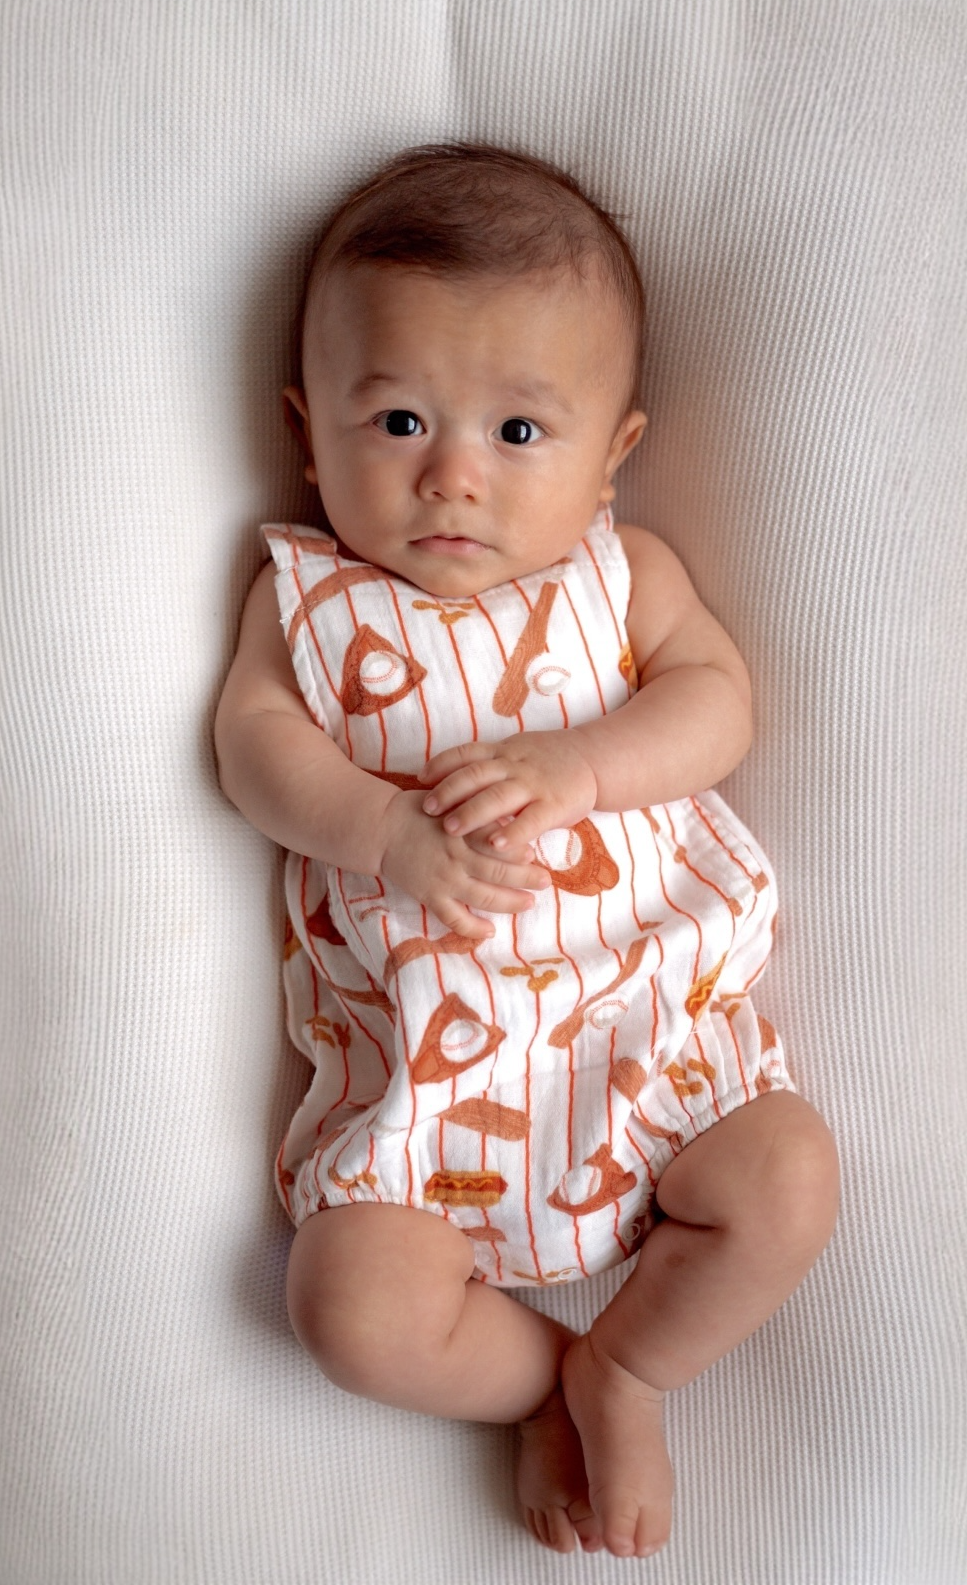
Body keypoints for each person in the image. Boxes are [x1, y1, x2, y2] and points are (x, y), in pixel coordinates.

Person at [214, 143, 839, 1559]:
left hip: (645, 1039)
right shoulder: (309, 604)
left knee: (788, 1176)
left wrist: (584, 765)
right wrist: (379, 827)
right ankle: (536, 1379)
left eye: (516, 434)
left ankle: (628, 1363)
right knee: (350, 1309)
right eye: (396, 424)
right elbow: (254, 745)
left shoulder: (622, 579)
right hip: (428, 1098)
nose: (452, 481)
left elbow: (717, 705)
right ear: (310, 436)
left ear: (613, 451)